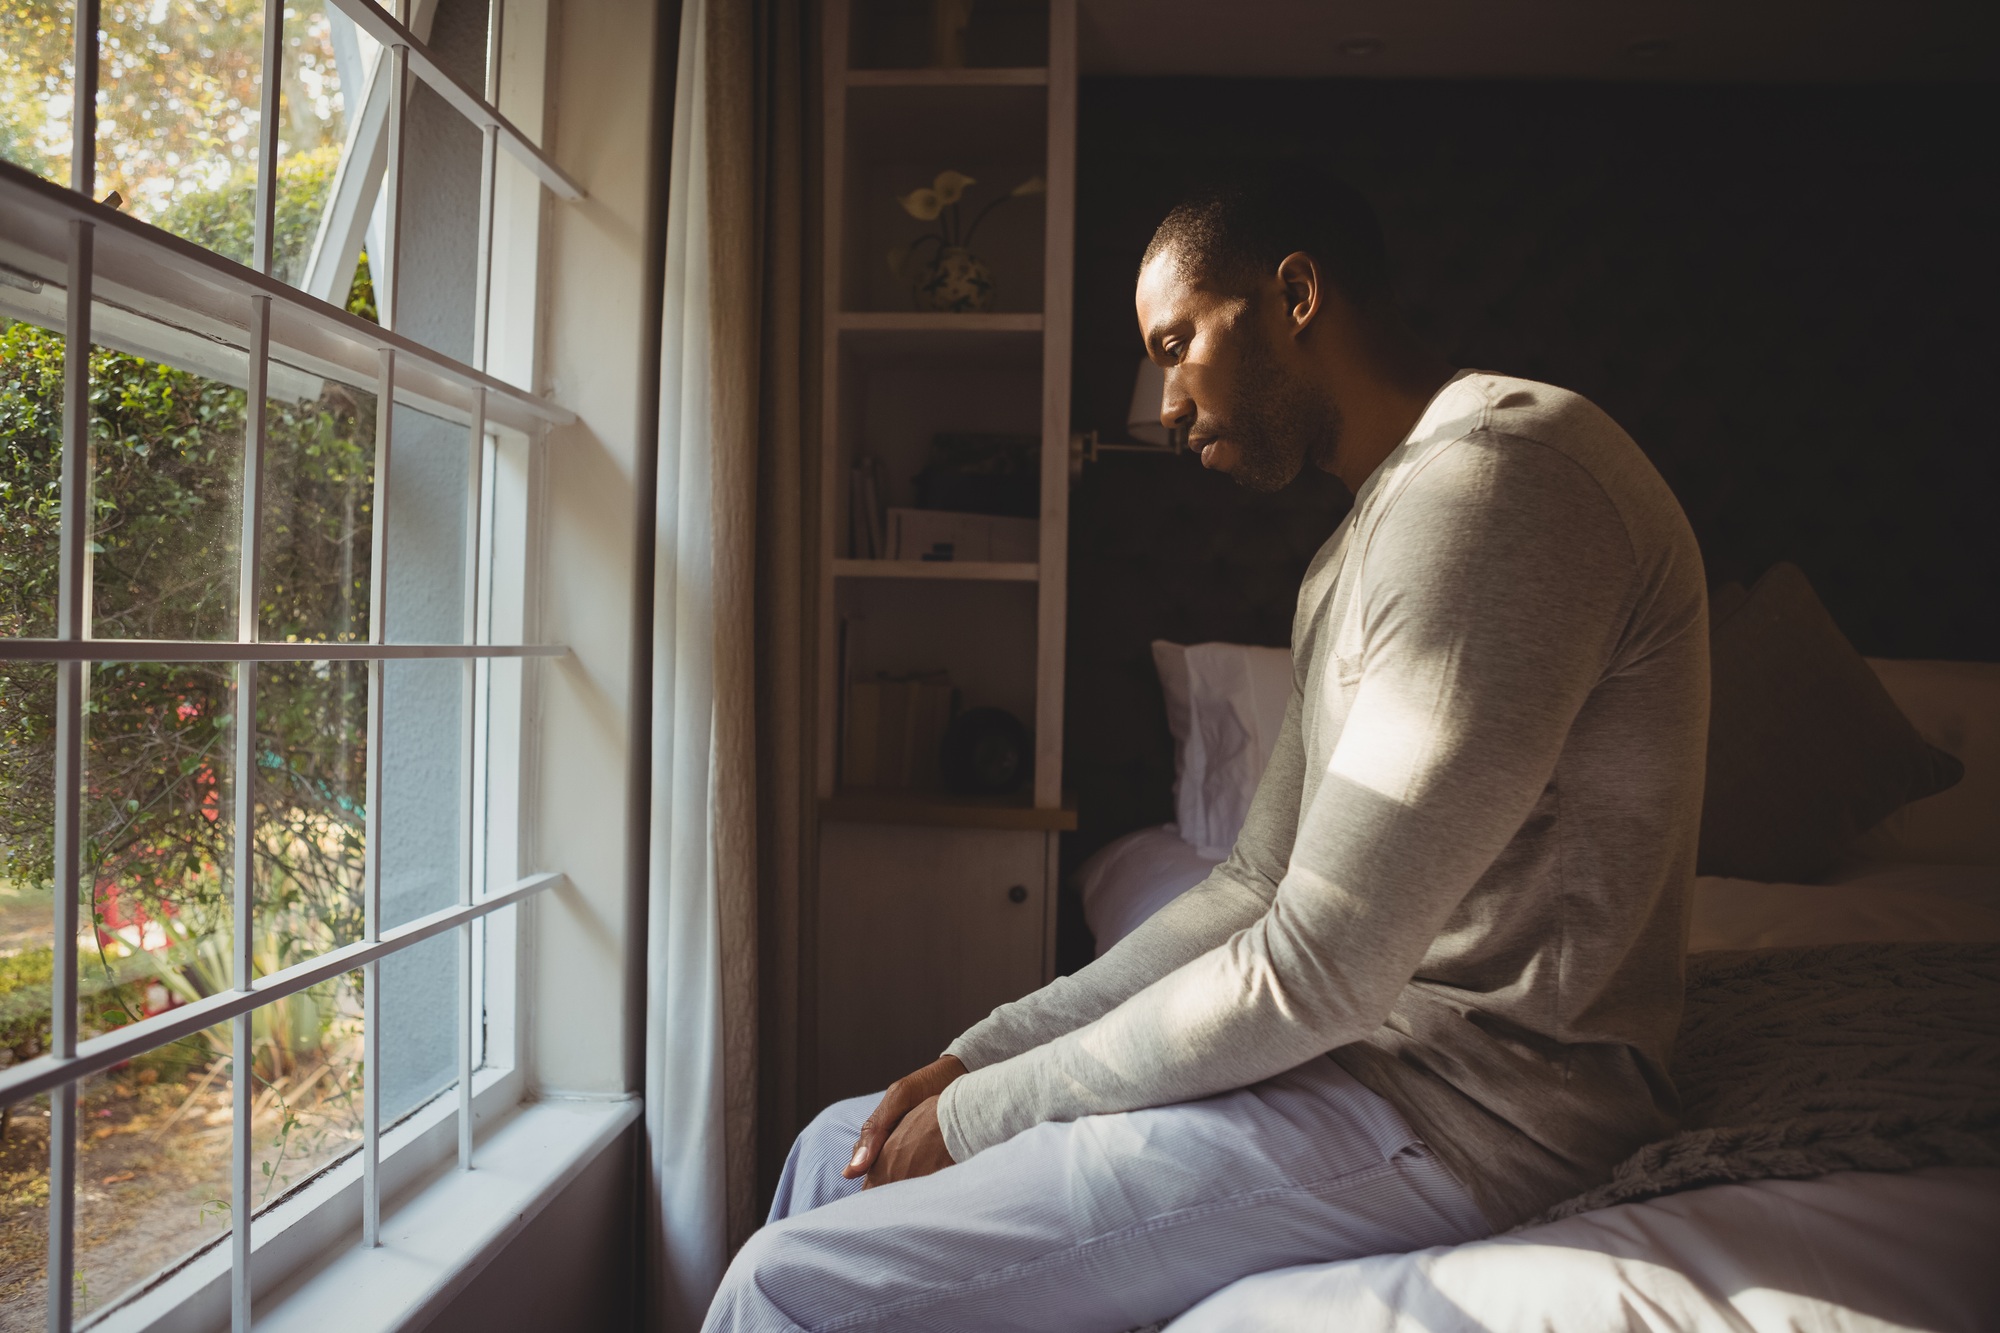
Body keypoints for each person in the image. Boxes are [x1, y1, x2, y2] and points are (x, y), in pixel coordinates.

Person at [703, 170, 1709, 1332]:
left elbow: (1316, 963)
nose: (1164, 404)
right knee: (836, 1145)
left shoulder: (1497, 484)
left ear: (1292, 296)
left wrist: (989, 1112)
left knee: (784, 1287)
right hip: (1367, 1062)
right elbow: (1252, 881)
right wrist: (978, 1053)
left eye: (1174, 343)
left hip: (1486, 1108)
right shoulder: (1355, 549)